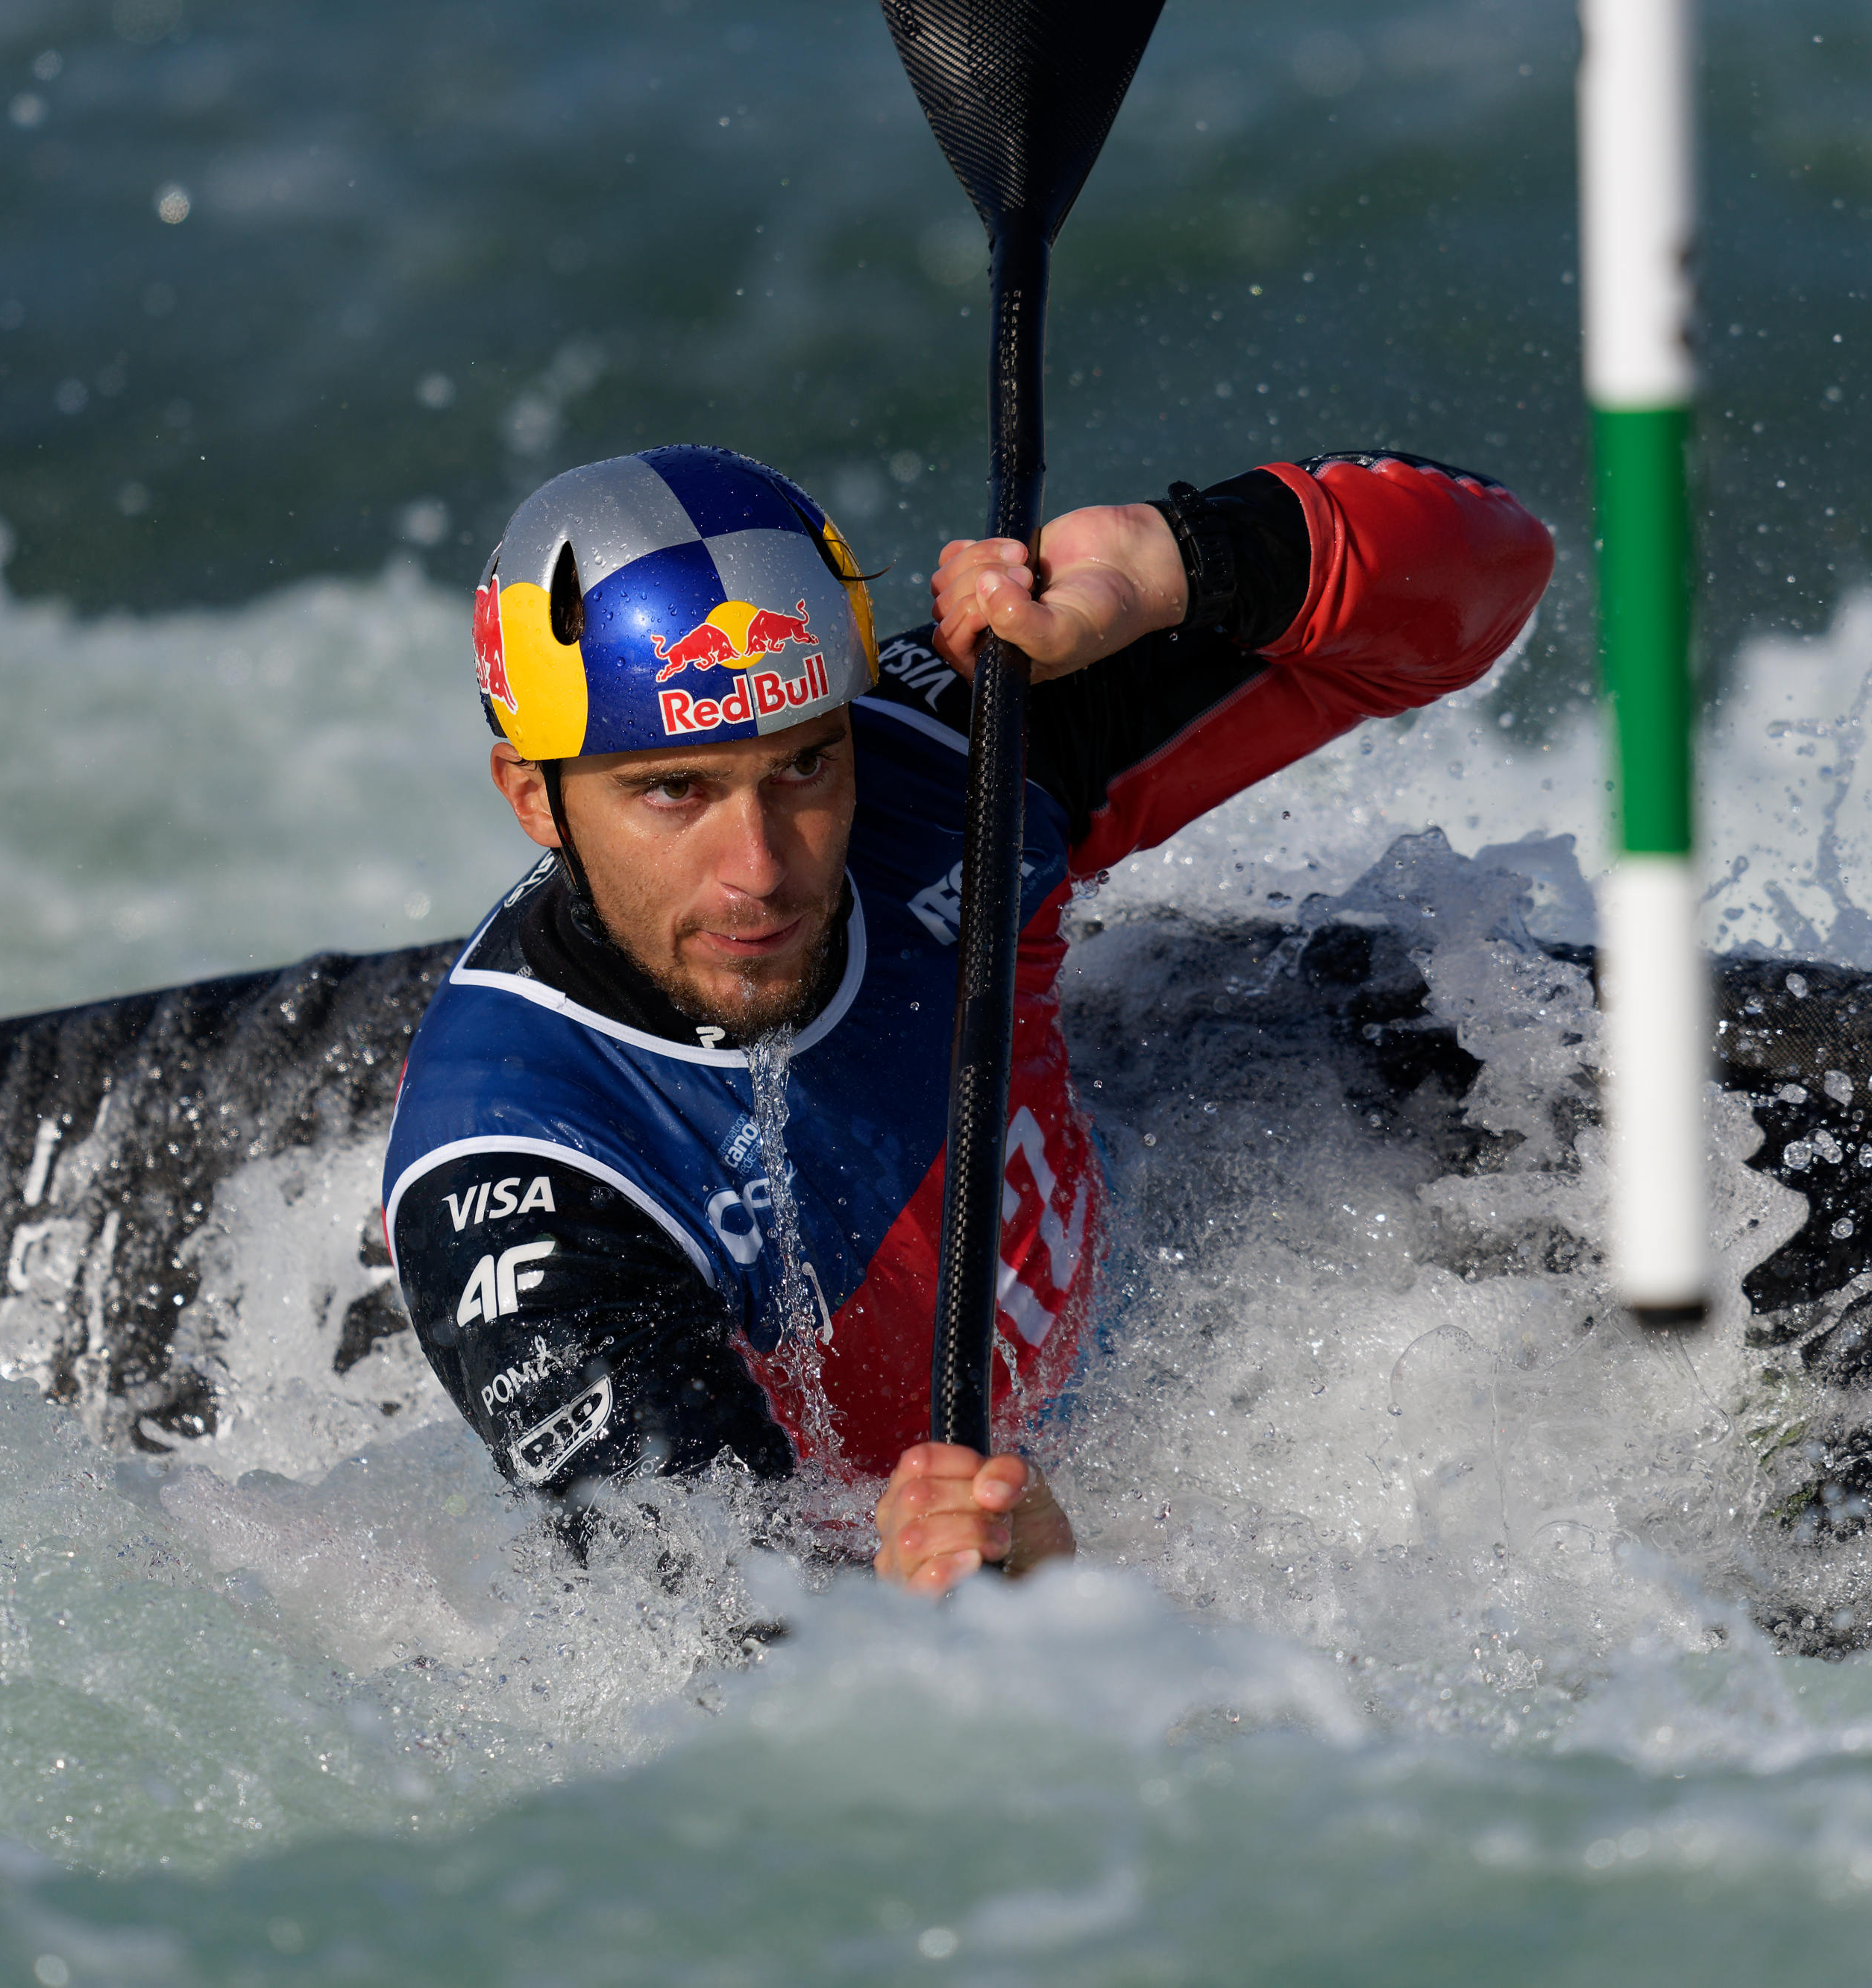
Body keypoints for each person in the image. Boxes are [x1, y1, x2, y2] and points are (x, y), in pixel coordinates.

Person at [378, 442, 1554, 1592]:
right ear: (534, 796)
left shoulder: (946, 762)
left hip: (1176, 1326)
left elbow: (1489, 581)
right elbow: (722, 1668)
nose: (760, 871)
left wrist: (1169, 564)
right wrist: (963, 1616)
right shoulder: (521, 1184)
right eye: (674, 789)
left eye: (802, 767)